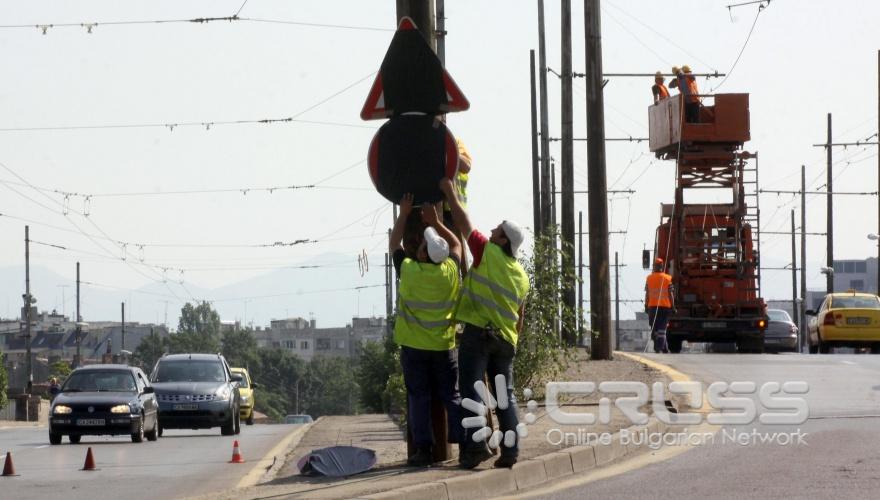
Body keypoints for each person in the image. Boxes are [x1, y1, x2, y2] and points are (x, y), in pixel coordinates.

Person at [440, 178, 530, 470]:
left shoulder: (487, 252)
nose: (492, 231)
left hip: (479, 334)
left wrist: (449, 192)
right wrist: (510, 342)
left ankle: (476, 447)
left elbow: (465, 224)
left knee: (471, 390)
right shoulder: (521, 275)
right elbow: (520, 315)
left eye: (497, 230)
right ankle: (511, 451)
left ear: (503, 240)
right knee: (505, 397)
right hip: (505, 341)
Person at [390, 193, 464, 467]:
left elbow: (394, 243)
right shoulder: (450, 272)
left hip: (414, 349)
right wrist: (437, 222)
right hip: (444, 347)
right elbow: (456, 243)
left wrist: (404, 213)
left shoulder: (409, 270)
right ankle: (465, 443)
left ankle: (423, 450)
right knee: (451, 396)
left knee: (418, 399)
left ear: (422, 253)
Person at [645, 258, 674, 353]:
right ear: (662, 267)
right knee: (662, 329)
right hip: (665, 307)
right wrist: (673, 306)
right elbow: (671, 294)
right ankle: (662, 348)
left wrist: (646, 305)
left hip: (652, 307)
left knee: (655, 329)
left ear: (654, 266)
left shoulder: (649, 278)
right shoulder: (668, 278)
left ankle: (660, 347)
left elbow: (647, 294)